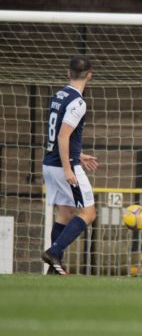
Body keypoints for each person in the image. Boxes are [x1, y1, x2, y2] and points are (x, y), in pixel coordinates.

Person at [41, 55, 98, 275]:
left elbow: (56, 135)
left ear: (68, 73)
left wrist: (78, 154)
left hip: (50, 163)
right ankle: (54, 252)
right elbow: (63, 136)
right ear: (90, 76)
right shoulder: (78, 102)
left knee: (64, 214)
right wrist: (69, 167)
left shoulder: (58, 95)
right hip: (63, 166)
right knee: (88, 213)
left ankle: (53, 270)